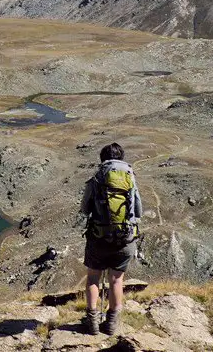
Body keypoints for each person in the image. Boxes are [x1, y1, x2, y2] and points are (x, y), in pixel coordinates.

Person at [79, 143, 142, 335]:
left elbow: (84, 209)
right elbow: (138, 209)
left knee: (93, 278)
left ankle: (92, 323)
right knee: (116, 280)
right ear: (121, 157)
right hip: (125, 239)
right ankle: (112, 323)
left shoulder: (97, 178)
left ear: (102, 158)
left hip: (99, 238)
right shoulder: (130, 177)